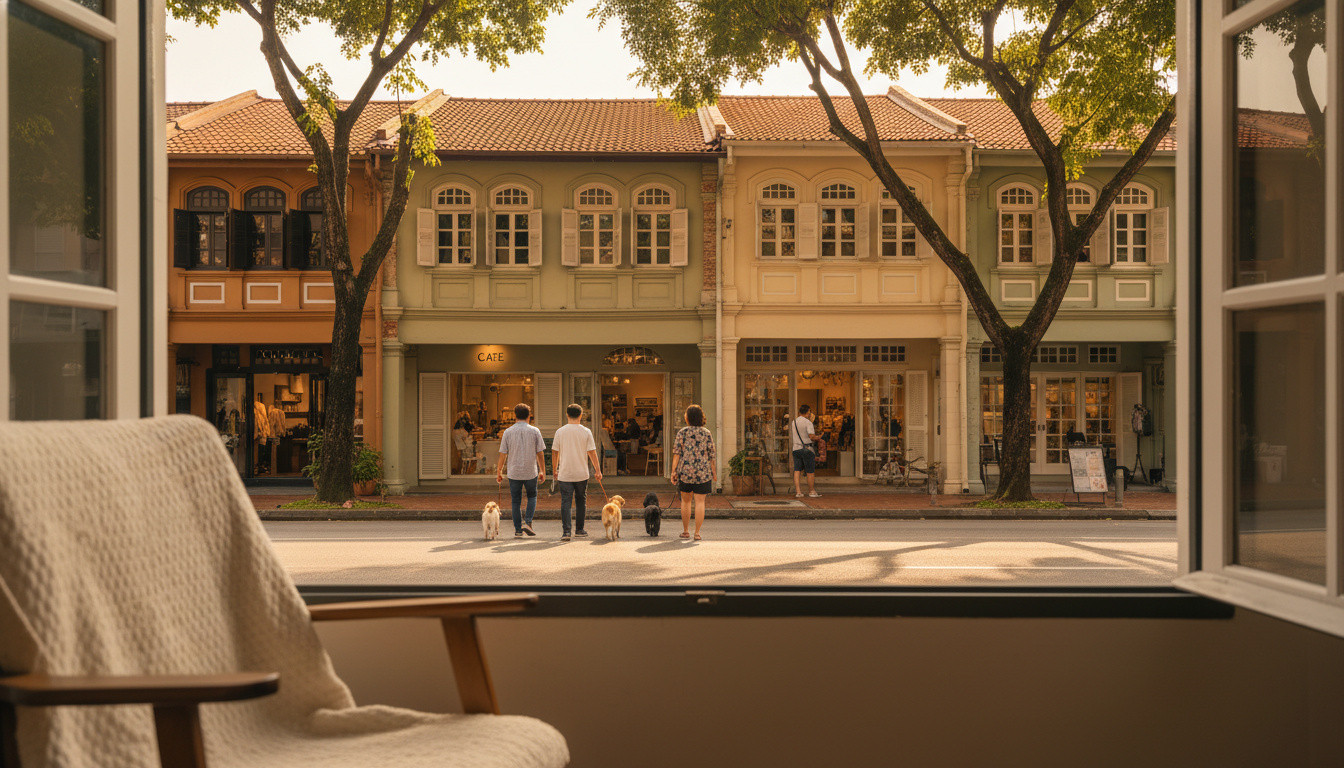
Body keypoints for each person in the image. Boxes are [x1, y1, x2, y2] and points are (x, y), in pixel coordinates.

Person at [552, 403, 603, 541]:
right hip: (581, 473)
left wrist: (555, 469)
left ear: (567, 415)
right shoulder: (586, 432)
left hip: (565, 473)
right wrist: (598, 471)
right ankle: (579, 530)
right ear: (581, 415)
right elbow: (592, 453)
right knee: (581, 501)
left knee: (566, 502)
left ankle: (566, 532)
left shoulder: (560, 432)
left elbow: (555, 452)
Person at [495, 403, 547, 538]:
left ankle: (518, 530)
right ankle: (528, 522)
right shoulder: (535, 431)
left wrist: (499, 471)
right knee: (532, 496)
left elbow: (503, 454)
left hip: (514, 471)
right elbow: (540, 453)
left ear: (514, 416)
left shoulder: (508, 432)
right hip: (530, 471)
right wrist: (543, 470)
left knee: (515, 501)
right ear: (529, 416)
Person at [670, 404, 716, 541]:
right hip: (703, 473)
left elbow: (676, 454)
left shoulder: (682, 432)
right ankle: (697, 533)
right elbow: (712, 455)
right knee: (700, 502)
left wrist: (673, 471)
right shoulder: (707, 433)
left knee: (685, 502)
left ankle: (685, 531)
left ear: (688, 417)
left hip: (685, 472)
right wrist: (714, 473)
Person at [791, 404, 821, 498]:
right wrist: (819, 437)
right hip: (807, 448)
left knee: (797, 470)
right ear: (808, 412)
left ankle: (798, 492)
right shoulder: (808, 423)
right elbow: (811, 436)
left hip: (796, 448)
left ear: (799, 412)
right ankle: (812, 491)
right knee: (810, 471)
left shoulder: (794, 422)